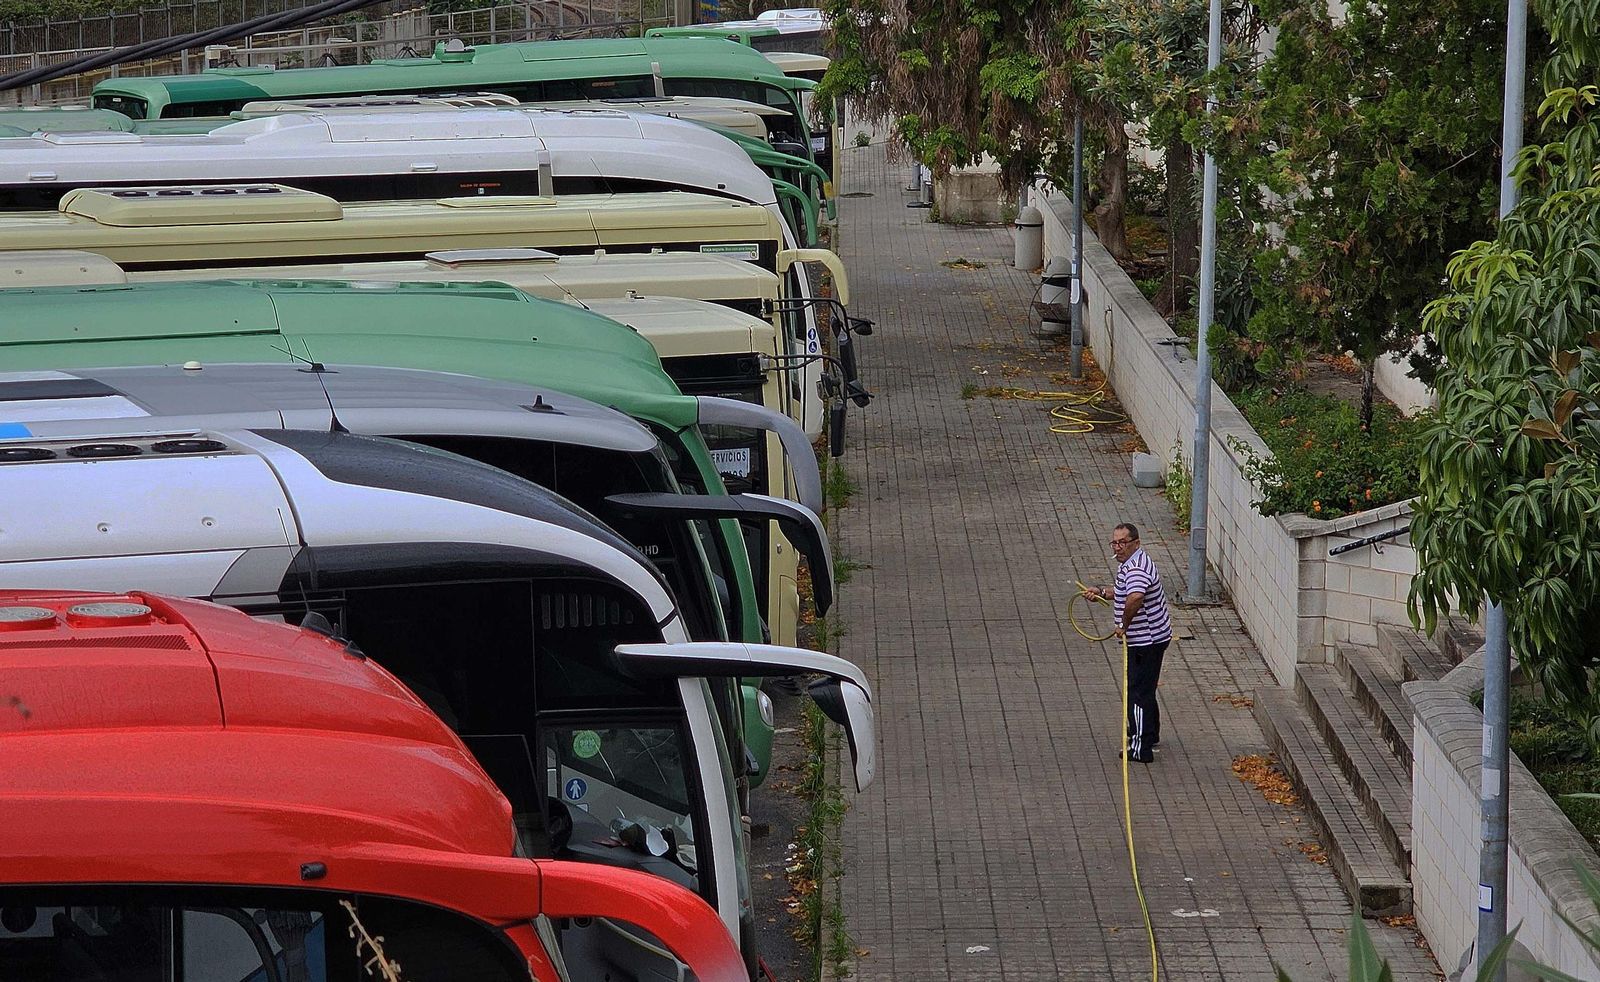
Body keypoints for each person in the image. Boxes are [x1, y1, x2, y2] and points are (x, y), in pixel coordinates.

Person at [1082, 522, 1173, 763]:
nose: (1118, 547)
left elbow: (1135, 597)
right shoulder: (1134, 563)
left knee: (1137, 693)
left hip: (1146, 641)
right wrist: (1102, 592)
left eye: (1123, 542)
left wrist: (1123, 625)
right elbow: (1123, 591)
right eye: (1114, 542)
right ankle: (1149, 733)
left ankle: (1139, 747)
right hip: (1154, 638)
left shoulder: (1135, 570)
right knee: (1147, 687)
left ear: (1136, 543)